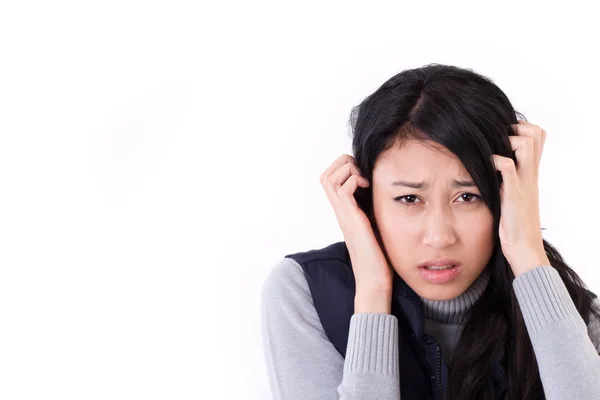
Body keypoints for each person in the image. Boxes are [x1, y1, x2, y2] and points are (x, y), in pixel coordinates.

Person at [260, 63, 600, 400]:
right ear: (366, 197)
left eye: (468, 196)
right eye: (409, 198)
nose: (439, 237)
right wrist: (373, 293)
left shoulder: (568, 314)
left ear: (505, 196)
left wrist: (526, 250)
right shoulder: (305, 292)